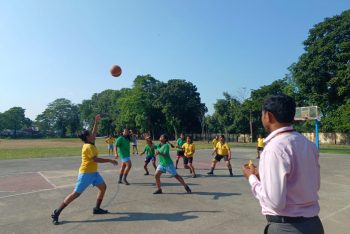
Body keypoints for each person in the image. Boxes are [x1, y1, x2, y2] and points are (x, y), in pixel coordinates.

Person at [242, 94, 324, 234]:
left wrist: (252, 178)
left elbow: (275, 202)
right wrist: (264, 178)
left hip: (287, 227)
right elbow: (311, 184)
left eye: (262, 115)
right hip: (313, 224)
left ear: (268, 116)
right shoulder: (308, 145)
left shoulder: (274, 148)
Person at [51, 114, 118, 225]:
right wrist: (110, 160)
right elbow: (95, 159)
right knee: (76, 194)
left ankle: (97, 208)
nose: (93, 135)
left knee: (103, 188)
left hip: (94, 173)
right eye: (91, 134)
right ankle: (57, 212)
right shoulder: (88, 147)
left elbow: (94, 132)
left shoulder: (90, 142)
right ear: (87, 137)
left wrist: (96, 122)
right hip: (86, 173)